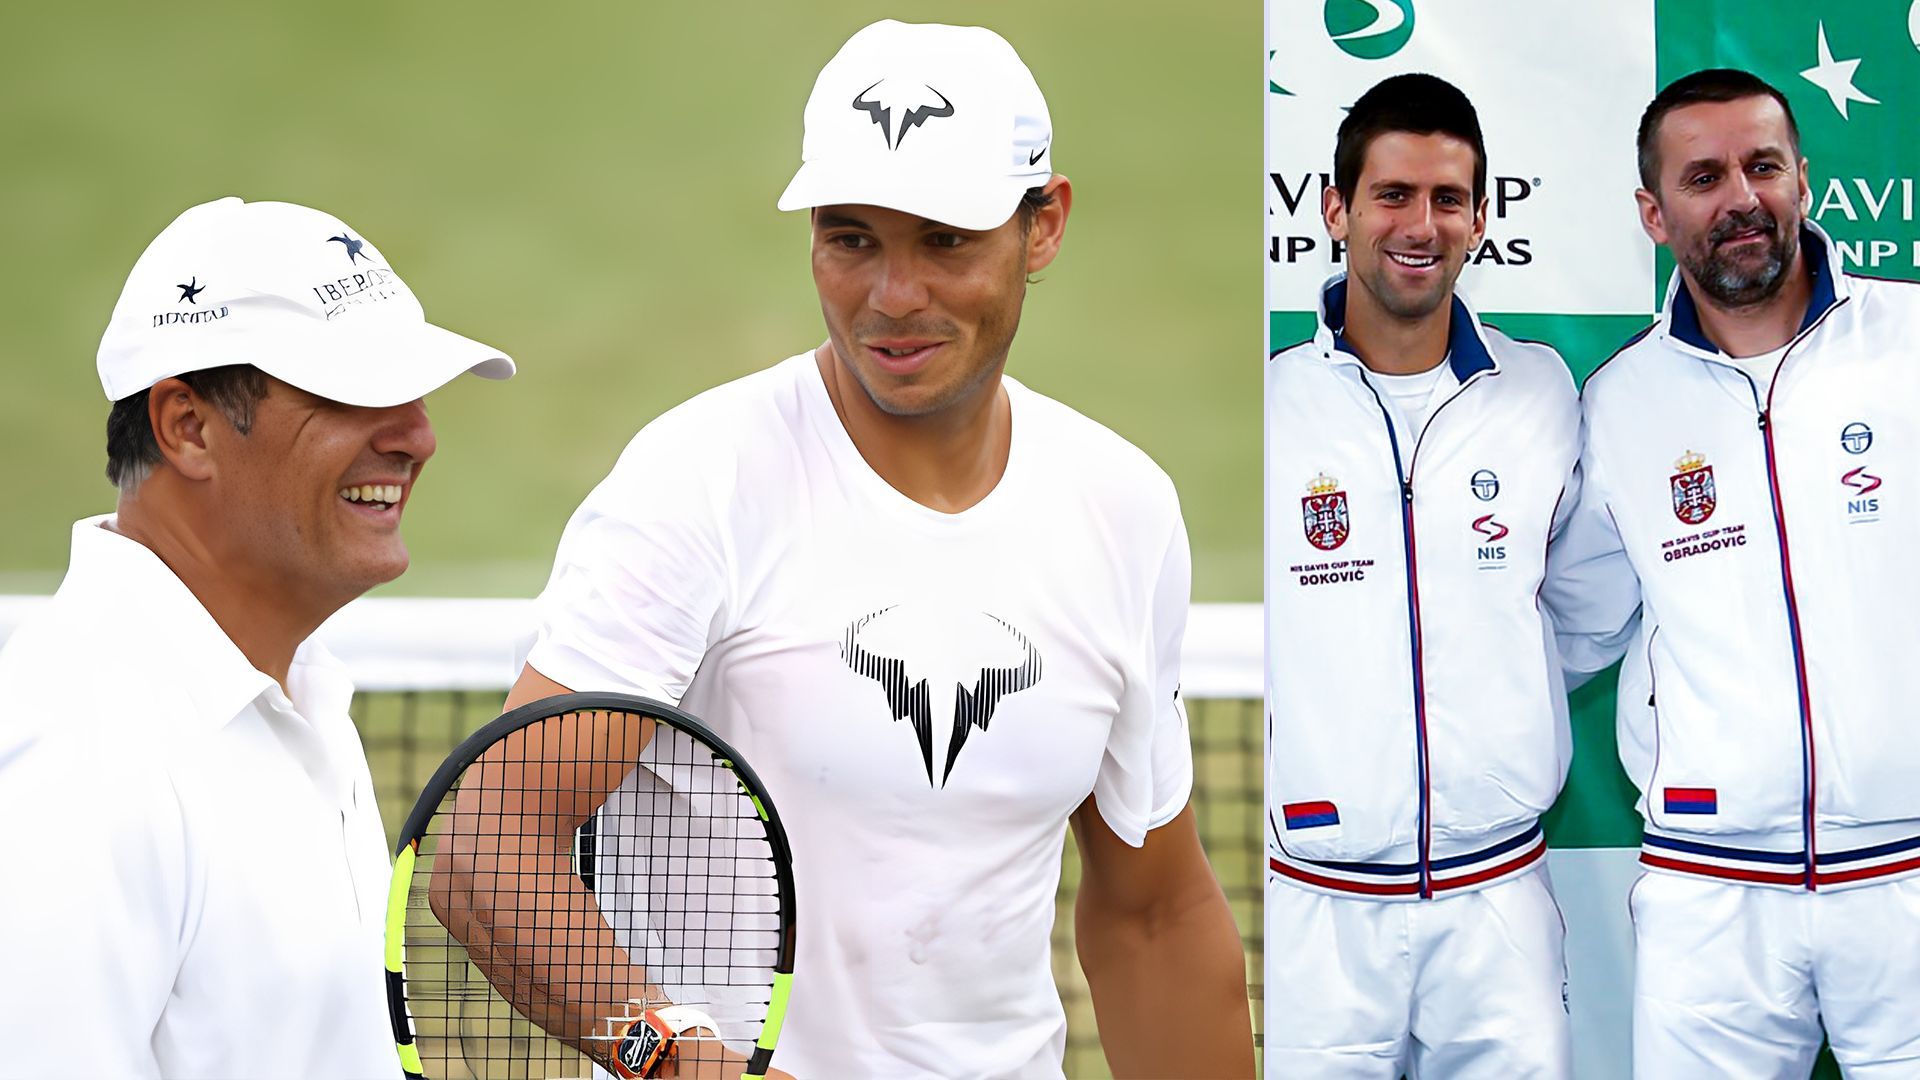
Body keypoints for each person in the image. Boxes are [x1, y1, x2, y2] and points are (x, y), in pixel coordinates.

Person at [491, 19, 1254, 1080]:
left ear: (1045, 226)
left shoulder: (1121, 507)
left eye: (944, 240)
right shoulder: (697, 482)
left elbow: (1153, 918)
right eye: (853, 239)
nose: (894, 297)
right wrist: (672, 1058)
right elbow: (492, 847)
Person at [0, 197, 513, 1077]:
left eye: (413, 391)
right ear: (188, 427)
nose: (417, 436)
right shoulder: (77, 763)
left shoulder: (301, 694)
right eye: (353, 393)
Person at [1545, 68, 1920, 1076]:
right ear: (1654, 214)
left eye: (1762, 167)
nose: (1739, 198)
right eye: (1703, 177)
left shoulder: (1912, 344)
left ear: (1803, 178)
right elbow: (1568, 632)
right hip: (1712, 899)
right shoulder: (1617, 404)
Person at [1265, 74, 1579, 1078]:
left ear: (1482, 216)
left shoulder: (1542, 392)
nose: (1422, 223)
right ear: (1335, 210)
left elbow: (1582, 605)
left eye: (1449, 199)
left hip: (1499, 904)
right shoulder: (1269, 403)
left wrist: (1498, 707)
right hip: (1315, 910)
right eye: (1393, 194)